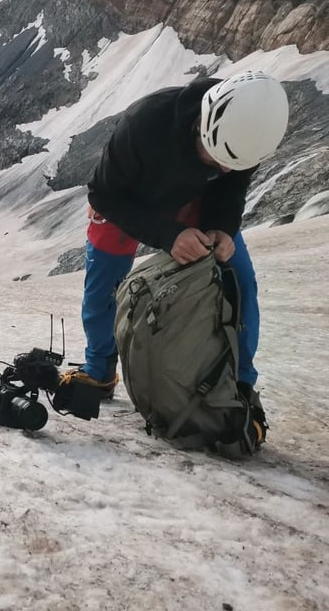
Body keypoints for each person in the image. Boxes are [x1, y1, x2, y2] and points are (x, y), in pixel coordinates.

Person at [58, 71, 290, 421]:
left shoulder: (247, 133)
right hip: (130, 199)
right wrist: (168, 235)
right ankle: (99, 371)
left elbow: (230, 189)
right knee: (103, 288)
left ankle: (239, 388)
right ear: (201, 125)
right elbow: (103, 194)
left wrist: (222, 229)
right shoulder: (144, 124)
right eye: (215, 159)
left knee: (240, 283)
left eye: (231, 165)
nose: (223, 168)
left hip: (196, 199)